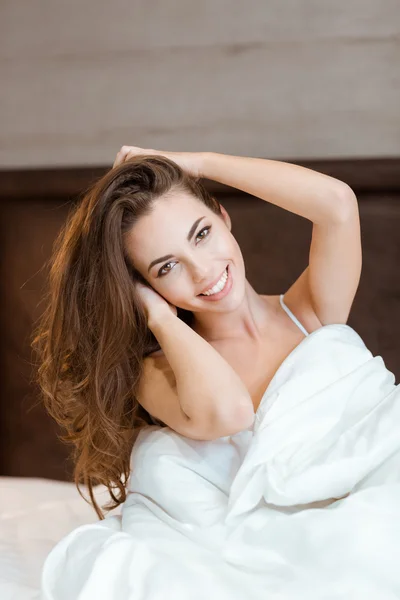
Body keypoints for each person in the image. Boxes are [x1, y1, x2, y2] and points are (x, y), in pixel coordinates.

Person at [39, 148, 400, 599]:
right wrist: (160, 317)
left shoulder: (309, 312)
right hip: (295, 543)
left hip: (380, 480)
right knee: (369, 543)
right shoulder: (160, 373)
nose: (203, 270)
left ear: (223, 216)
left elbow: (338, 204)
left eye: (202, 233)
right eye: (166, 267)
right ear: (143, 287)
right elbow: (230, 413)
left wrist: (199, 164)